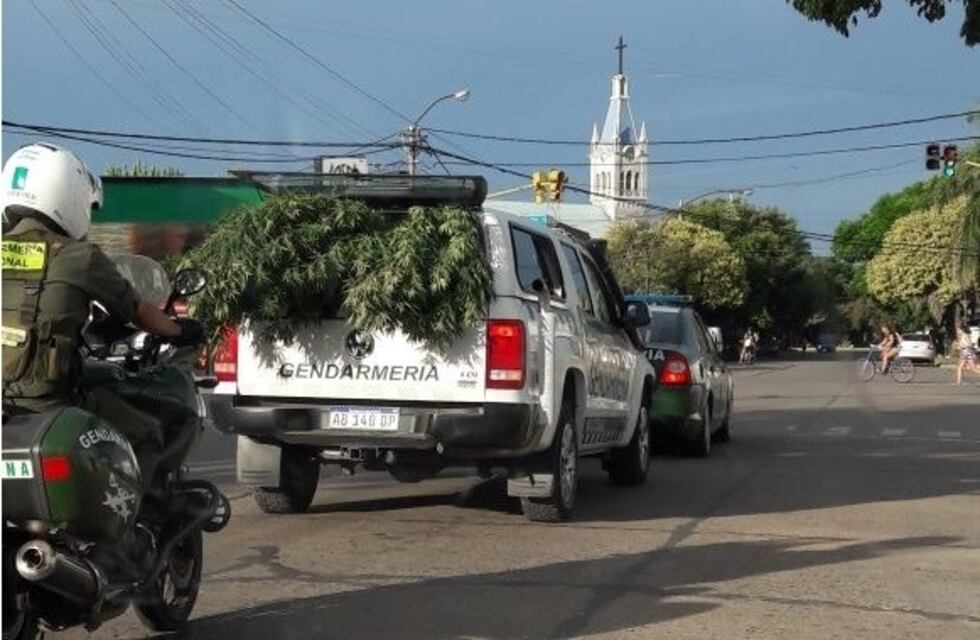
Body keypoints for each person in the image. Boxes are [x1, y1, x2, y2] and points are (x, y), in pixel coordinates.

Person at [2, 143, 203, 487]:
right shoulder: (78, 257)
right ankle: (132, 525)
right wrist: (180, 331)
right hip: (50, 402)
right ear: (67, 194)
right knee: (146, 433)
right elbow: (138, 311)